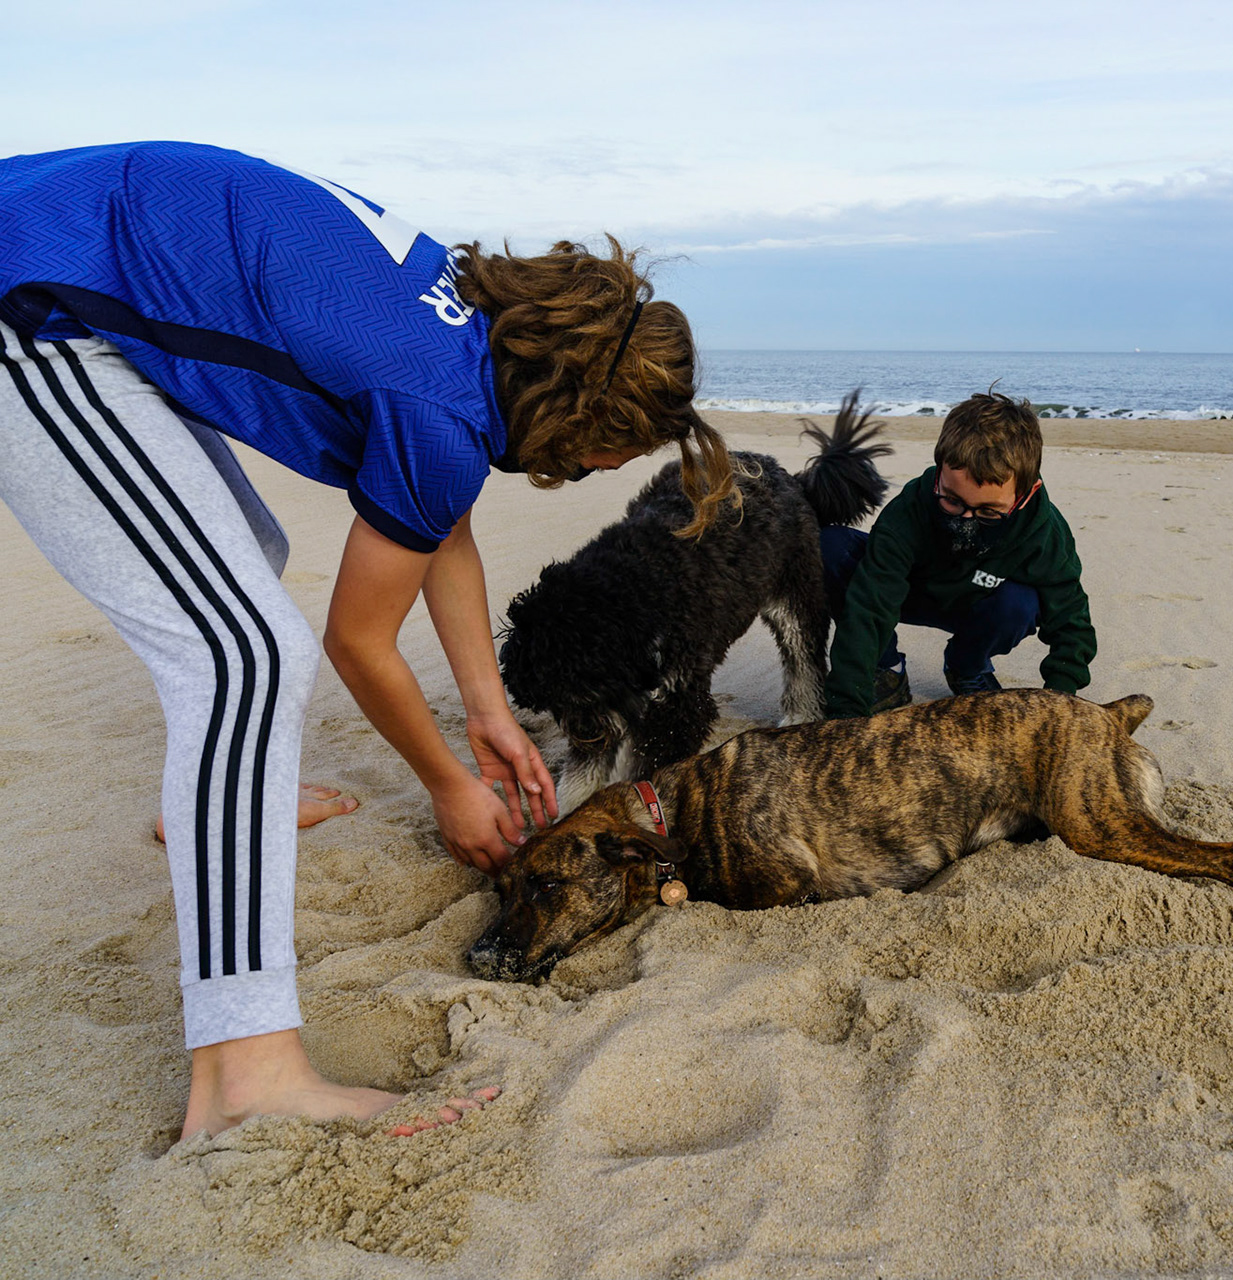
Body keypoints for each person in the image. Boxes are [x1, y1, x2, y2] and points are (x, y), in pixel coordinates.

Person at [0, 141, 735, 1138]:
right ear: (583, 413)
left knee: (241, 556)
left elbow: (438, 523)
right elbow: (360, 639)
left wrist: (484, 711)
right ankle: (246, 1072)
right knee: (242, 654)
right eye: (623, 448)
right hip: (33, 301)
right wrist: (447, 782)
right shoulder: (435, 407)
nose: (610, 467)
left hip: (76, 249)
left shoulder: (469, 332)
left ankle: (219, 795)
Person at [821, 390, 1095, 717]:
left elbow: (1070, 621)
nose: (965, 519)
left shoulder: (1044, 531)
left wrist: (1059, 702)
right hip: (908, 592)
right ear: (939, 472)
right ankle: (887, 669)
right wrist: (845, 711)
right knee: (830, 546)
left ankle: (967, 667)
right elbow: (869, 608)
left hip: (982, 604)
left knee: (1021, 603)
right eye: (952, 500)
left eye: (989, 511)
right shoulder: (908, 511)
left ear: (1026, 493)